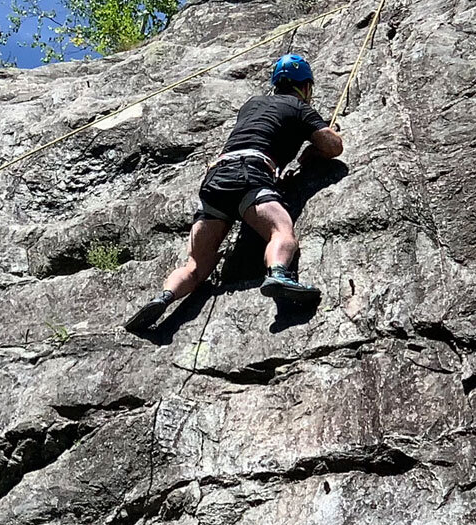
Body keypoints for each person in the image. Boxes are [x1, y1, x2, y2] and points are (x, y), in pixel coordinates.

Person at [126, 54, 344, 331]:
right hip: (250, 173)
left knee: (196, 264)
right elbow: (333, 146)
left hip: (215, 179)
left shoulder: (251, 105)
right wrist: (324, 140)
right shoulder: (298, 106)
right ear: (307, 87)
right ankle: (278, 274)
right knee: (280, 230)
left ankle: (164, 296)